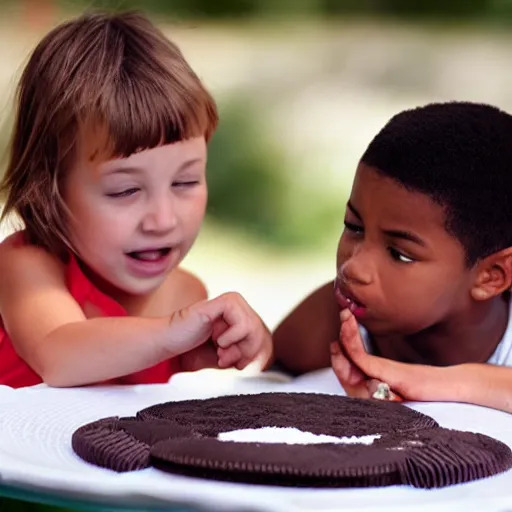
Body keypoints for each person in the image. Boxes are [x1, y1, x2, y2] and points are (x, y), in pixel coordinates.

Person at [0, 10, 272, 388]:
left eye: (186, 181)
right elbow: (58, 356)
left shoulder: (186, 294)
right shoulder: (27, 265)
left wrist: (227, 348)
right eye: (125, 190)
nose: (162, 220)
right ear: (50, 188)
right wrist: (171, 333)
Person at [273, 101, 512, 412]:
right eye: (354, 227)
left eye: (399, 254)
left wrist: (426, 383)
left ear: (492, 275)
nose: (353, 267)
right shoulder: (319, 331)